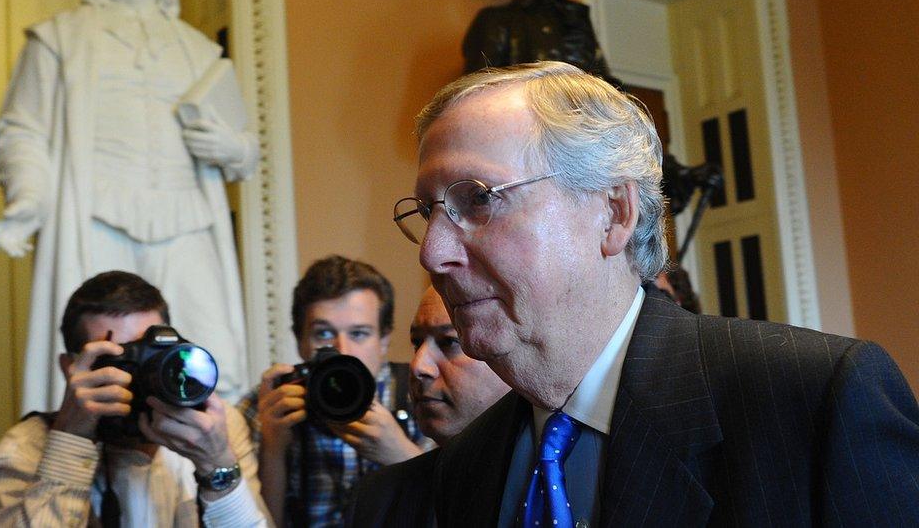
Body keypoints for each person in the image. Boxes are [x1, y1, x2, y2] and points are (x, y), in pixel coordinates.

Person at [389, 61, 919, 526]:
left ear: (614, 212)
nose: (432, 253)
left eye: (477, 200)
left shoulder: (812, 402)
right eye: (427, 211)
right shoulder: (467, 464)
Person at [0, 0, 258, 413]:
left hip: (187, 219)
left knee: (212, 357)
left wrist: (234, 148)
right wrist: (27, 198)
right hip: (96, 216)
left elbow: (244, 145)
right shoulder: (61, 37)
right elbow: (23, 130)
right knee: (102, 358)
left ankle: (206, 465)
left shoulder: (197, 49)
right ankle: (97, 463)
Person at [0, 271, 271, 526]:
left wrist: (216, 464)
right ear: (71, 369)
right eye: (118, 359)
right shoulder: (21, 451)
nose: (139, 376)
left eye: (149, 356)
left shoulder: (215, 428)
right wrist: (70, 439)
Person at [237, 256, 428, 527]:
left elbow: (460, 512)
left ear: (384, 340)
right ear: (300, 340)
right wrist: (274, 450)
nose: (343, 351)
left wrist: (401, 455)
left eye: (359, 333)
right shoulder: (267, 404)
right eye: (324, 334)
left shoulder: (419, 392)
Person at [347, 286, 510, 527]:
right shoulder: (375, 499)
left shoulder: (552, 485)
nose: (417, 366)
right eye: (417, 342)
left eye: (449, 342)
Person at [462, 0, 619, 88]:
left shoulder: (578, 22)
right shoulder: (497, 20)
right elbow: (476, 87)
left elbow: (603, 81)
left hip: (578, 127)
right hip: (523, 124)